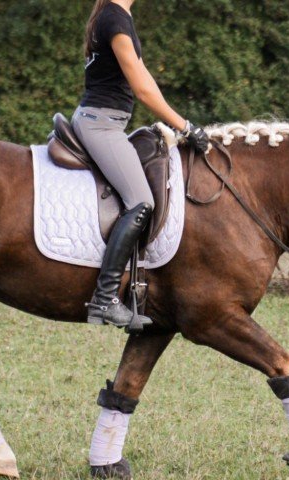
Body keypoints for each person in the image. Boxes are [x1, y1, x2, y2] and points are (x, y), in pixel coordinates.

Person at [73, 0, 209, 328]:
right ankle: (104, 300)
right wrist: (185, 127)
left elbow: (146, 78)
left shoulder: (118, 15)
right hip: (101, 124)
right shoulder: (113, 18)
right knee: (142, 202)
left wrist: (178, 120)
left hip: (108, 121)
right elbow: (142, 91)